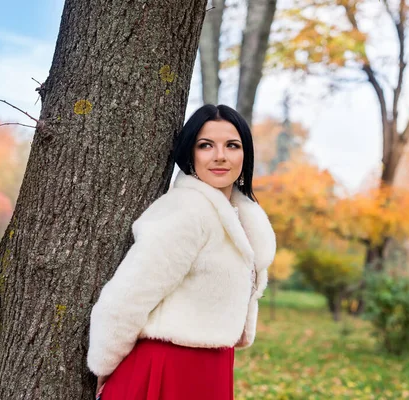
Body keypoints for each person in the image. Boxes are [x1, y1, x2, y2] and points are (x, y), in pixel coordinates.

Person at [87, 104, 276, 399]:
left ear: (245, 154)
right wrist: (104, 365)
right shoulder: (186, 210)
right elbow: (128, 295)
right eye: (205, 145)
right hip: (166, 366)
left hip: (212, 367)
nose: (220, 156)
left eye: (232, 145)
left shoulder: (238, 217)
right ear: (190, 153)